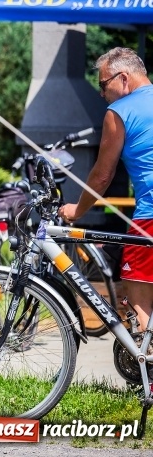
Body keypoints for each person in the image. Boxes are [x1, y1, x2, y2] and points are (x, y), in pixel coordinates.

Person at [59, 47, 153, 333]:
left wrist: (77, 210)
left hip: (150, 216)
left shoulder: (119, 112)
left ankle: (148, 373)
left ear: (123, 78)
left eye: (103, 85)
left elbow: (102, 176)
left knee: (140, 307)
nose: (101, 94)